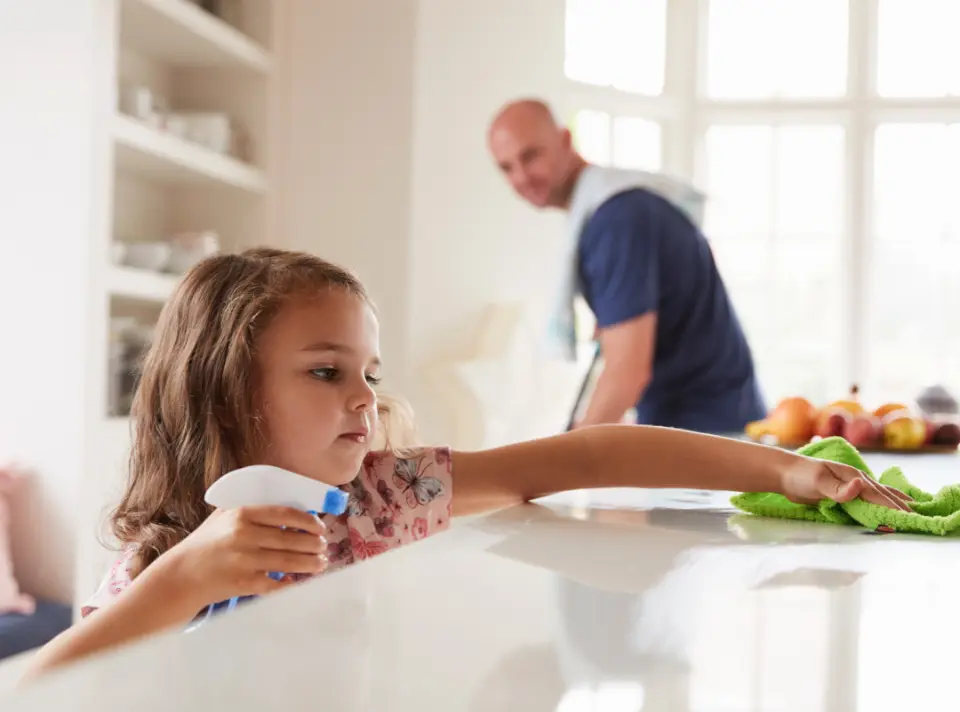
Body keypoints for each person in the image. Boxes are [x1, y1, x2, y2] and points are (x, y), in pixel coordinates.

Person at [20, 248, 908, 683]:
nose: (365, 398)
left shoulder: (376, 498)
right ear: (224, 388)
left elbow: (585, 454)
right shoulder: (157, 564)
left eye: (370, 372)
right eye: (326, 372)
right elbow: (43, 686)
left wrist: (777, 468)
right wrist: (183, 579)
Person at [487, 99, 767, 434]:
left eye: (531, 156)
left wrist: (567, 457)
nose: (521, 177)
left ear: (565, 140)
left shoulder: (616, 222)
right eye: (506, 167)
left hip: (705, 432)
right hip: (706, 422)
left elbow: (627, 372)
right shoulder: (619, 209)